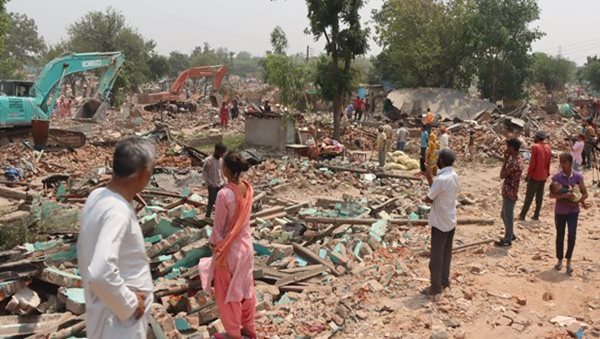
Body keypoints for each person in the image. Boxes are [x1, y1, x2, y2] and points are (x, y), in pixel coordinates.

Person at [77, 137, 156, 338]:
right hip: (120, 324)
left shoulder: (97, 196)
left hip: (104, 315)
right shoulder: (117, 212)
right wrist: (129, 303)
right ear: (144, 173)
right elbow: (101, 271)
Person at [199, 151, 256, 339]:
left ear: (226, 169)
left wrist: (214, 246)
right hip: (247, 249)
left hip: (229, 252)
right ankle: (249, 328)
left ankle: (233, 334)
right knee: (246, 290)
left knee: (227, 296)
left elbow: (218, 228)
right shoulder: (248, 189)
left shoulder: (224, 194)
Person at [422, 149, 459, 297]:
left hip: (440, 222)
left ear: (442, 161)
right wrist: (429, 177)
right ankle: (444, 281)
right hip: (450, 220)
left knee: (436, 258)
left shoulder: (442, 180)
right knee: (446, 254)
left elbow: (429, 198)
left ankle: (435, 287)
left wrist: (430, 178)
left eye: (438, 159)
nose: (436, 161)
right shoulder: (454, 176)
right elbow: (437, 191)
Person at [549, 153, 588, 275]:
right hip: (560, 211)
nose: (562, 165)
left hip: (573, 212)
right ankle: (559, 260)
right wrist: (565, 196)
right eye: (561, 162)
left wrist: (577, 201)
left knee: (572, 235)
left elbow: (585, 193)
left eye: (564, 162)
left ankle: (568, 262)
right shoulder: (556, 178)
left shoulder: (578, 177)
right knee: (560, 236)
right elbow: (551, 195)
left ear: (570, 163)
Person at [495, 138, 524, 247]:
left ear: (512, 148)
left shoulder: (513, 162)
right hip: (511, 190)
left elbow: (502, 175)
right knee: (504, 214)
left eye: (508, 147)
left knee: (508, 215)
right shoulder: (518, 159)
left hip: (510, 191)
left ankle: (508, 239)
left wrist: (505, 161)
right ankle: (510, 234)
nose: (506, 149)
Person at [518, 131, 552, 221]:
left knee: (529, 197)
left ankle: (522, 215)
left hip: (535, 175)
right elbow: (548, 162)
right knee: (539, 197)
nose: (534, 138)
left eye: (535, 137)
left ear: (537, 138)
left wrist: (528, 175)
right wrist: (547, 174)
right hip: (544, 175)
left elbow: (532, 163)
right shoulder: (548, 147)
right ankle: (536, 215)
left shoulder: (535, 147)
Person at [203, 143, 227, 218]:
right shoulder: (208, 160)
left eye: (223, 153)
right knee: (211, 200)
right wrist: (209, 184)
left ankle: (219, 217)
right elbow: (204, 173)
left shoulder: (220, 160)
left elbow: (221, 171)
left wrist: (224, 180)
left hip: (220, 183)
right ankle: (208, 216)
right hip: (212, 185)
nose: (222, 154)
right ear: (216, 151)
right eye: (221, 152)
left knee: (221, 201)